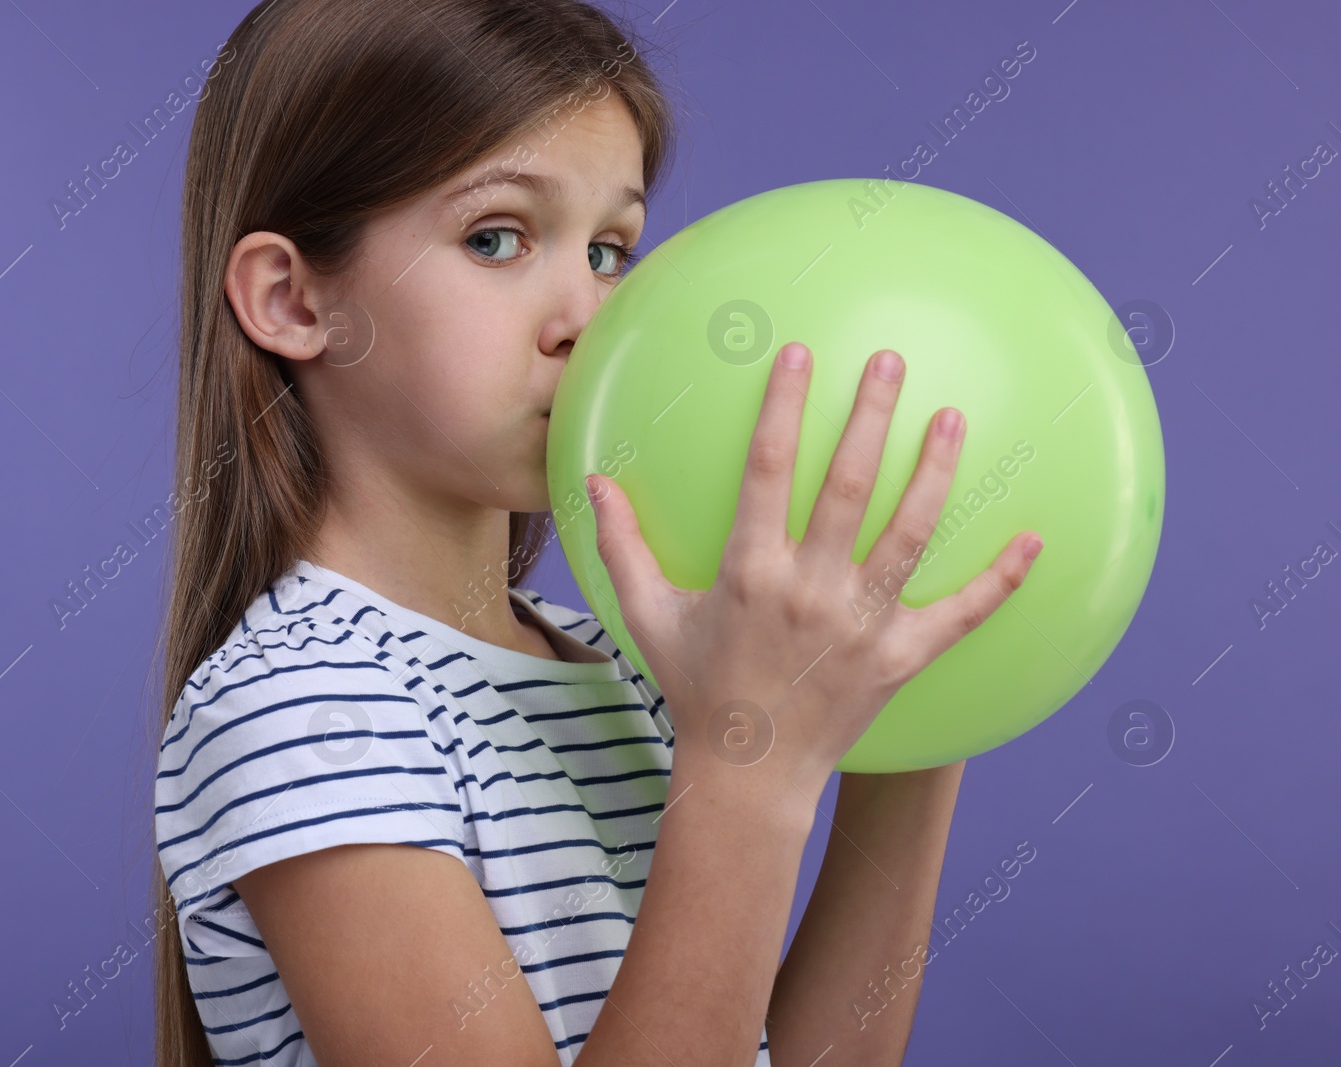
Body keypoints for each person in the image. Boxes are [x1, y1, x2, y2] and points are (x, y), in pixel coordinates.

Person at [150, 0, 1043, 1063]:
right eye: (497, 238)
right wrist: (745, 772)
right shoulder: (302, 711)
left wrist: (914, 726)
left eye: (611, 250)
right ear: (294, 301)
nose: (589, 315)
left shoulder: (616, 658)